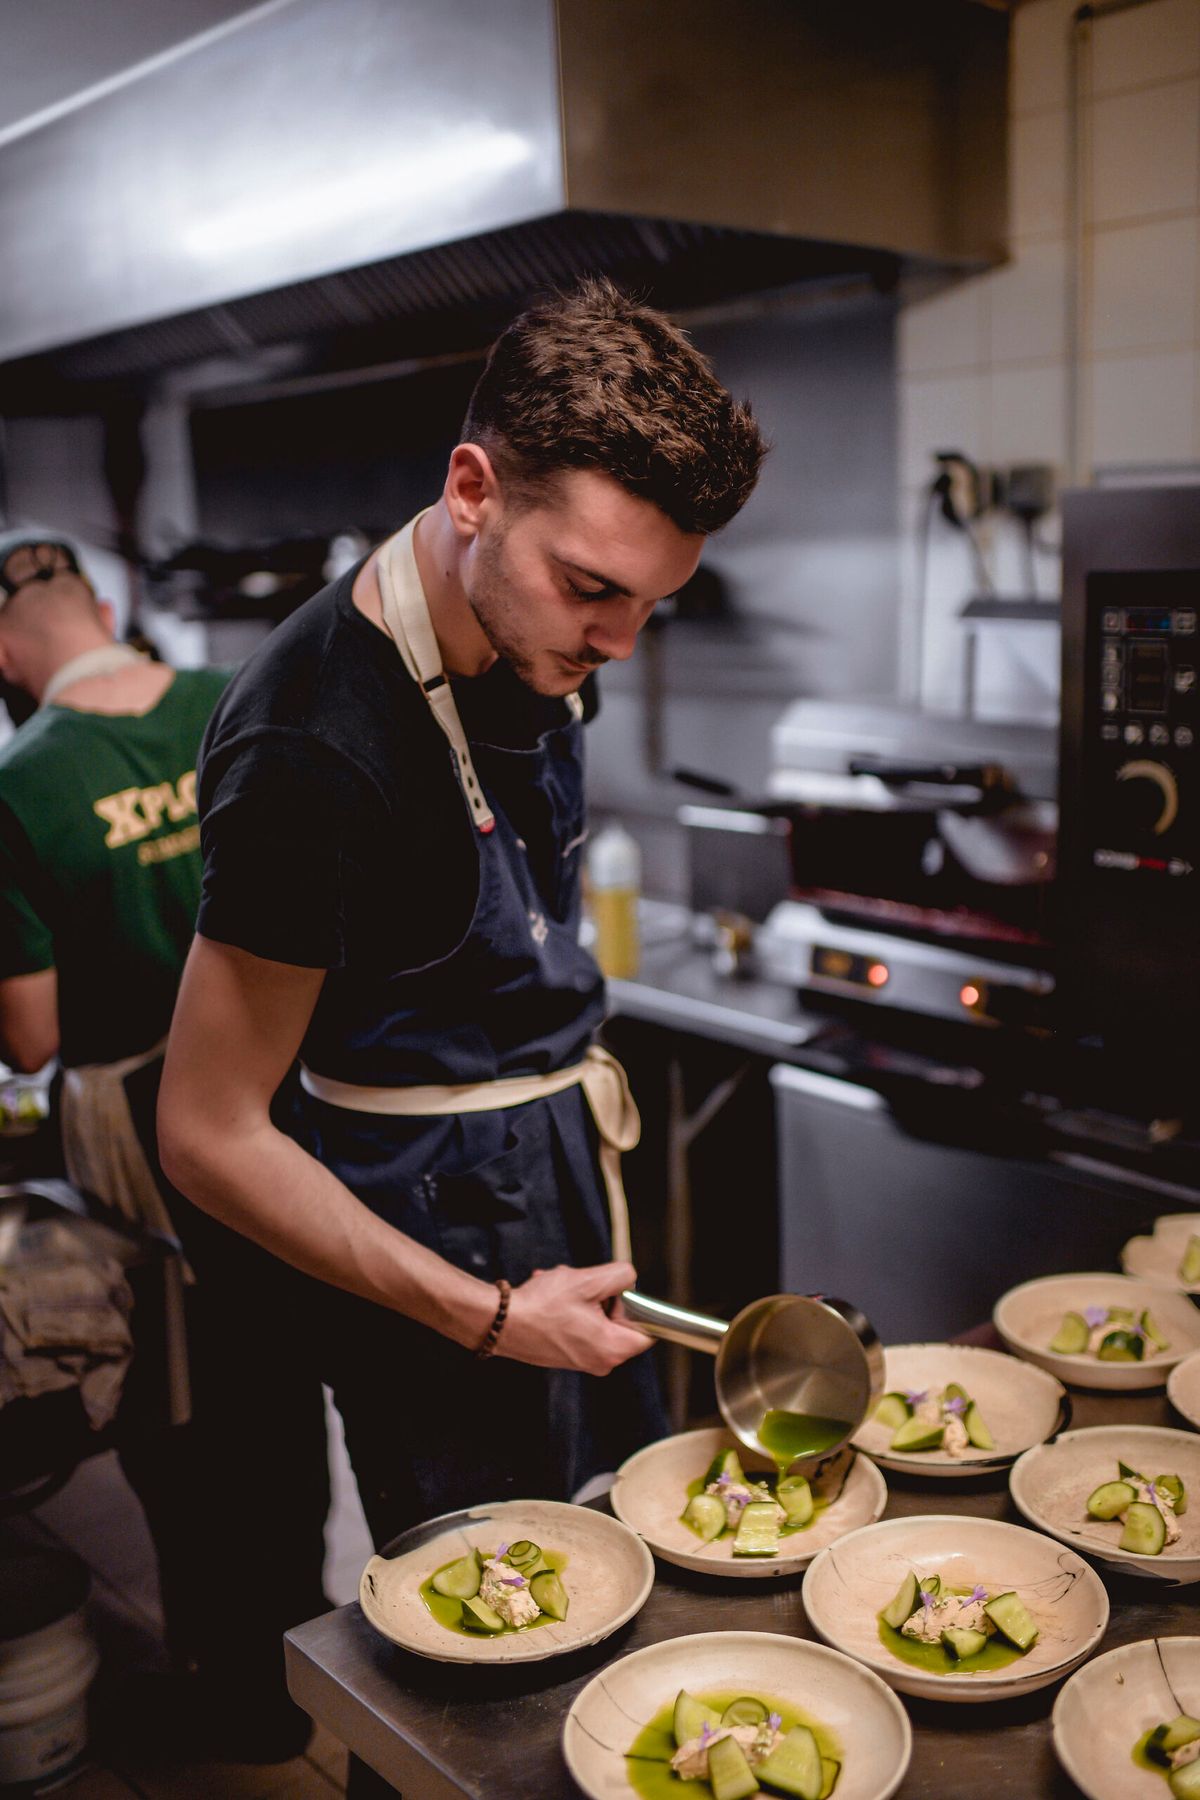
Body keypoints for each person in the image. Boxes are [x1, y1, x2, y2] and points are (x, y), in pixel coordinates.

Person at [158, 279, 767, 1551]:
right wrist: (486, 1314)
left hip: (554, 1178)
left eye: (650, 602)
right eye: (592, 588)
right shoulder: (313, 743)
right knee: (478, 1630)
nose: (620, 642)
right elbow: (206, 1134)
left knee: (609, 1553)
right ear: (473, 490)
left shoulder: (531, 627)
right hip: (421, 1240)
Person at [0, 533, 331, 1761]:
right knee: (284, 1387)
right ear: (101, 608)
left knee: (181, 1408)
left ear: (5, 652)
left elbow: (29, 1037)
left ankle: (226, 1683)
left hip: (147, 1127)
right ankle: (305, 1666)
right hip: (285, 1084)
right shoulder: (231, 697)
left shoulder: (22, 778)